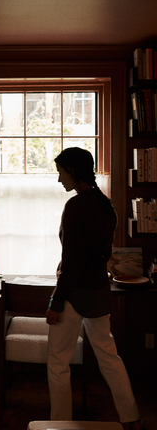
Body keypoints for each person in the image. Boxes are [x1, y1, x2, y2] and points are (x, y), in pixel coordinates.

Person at [46, 147, 145, 430]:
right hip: (99, 291)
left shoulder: (75, 207)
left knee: (57, 362)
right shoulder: (106, 205)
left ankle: (59, 424)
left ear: (73, 172)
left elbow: (73, 262)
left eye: (61, 173)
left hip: (74, 295)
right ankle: (132, 418)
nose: (59, 180)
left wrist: (56, 302)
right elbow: (99, 256)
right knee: (109, 358)